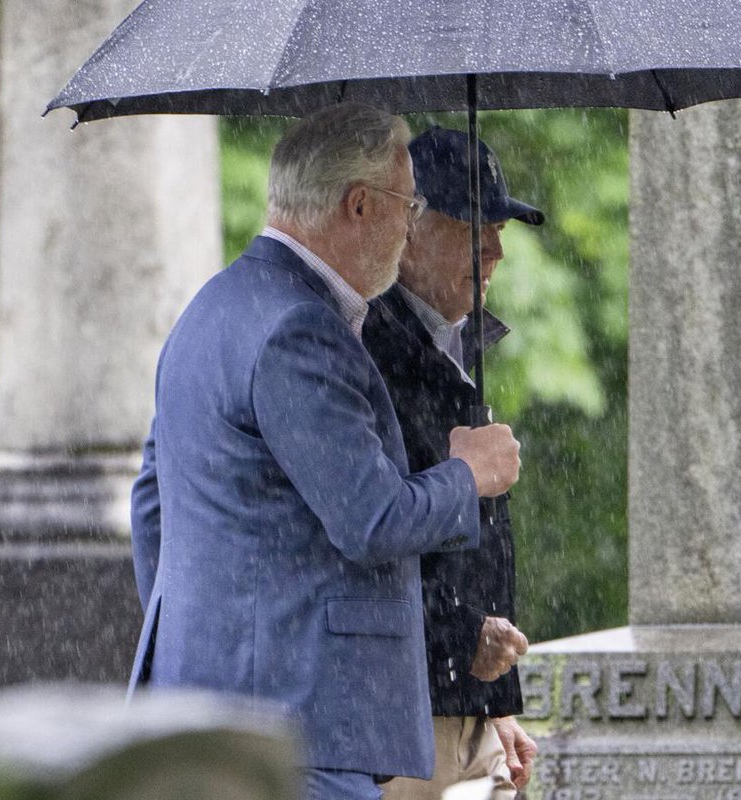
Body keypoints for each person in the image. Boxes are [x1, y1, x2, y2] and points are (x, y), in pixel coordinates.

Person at [126, 104, 522, 800]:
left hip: (213, 712)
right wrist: (470, 475)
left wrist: (214, 633)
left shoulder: (212, 307)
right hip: (302, 725)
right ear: (359, 206)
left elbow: (153, 504)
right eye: (406, 206)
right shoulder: (301, 331)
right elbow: (369, 520)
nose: (408, 229)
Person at [362, 127, 543, 800]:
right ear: (408, 230)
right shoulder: (363, 350)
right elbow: (377, 534)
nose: (495, 248)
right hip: (405, 719)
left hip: (462, 711)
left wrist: (495, 702)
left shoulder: (453, 338)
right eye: (474, 225)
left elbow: (477, 541)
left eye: (498, 228)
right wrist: (460, 643)